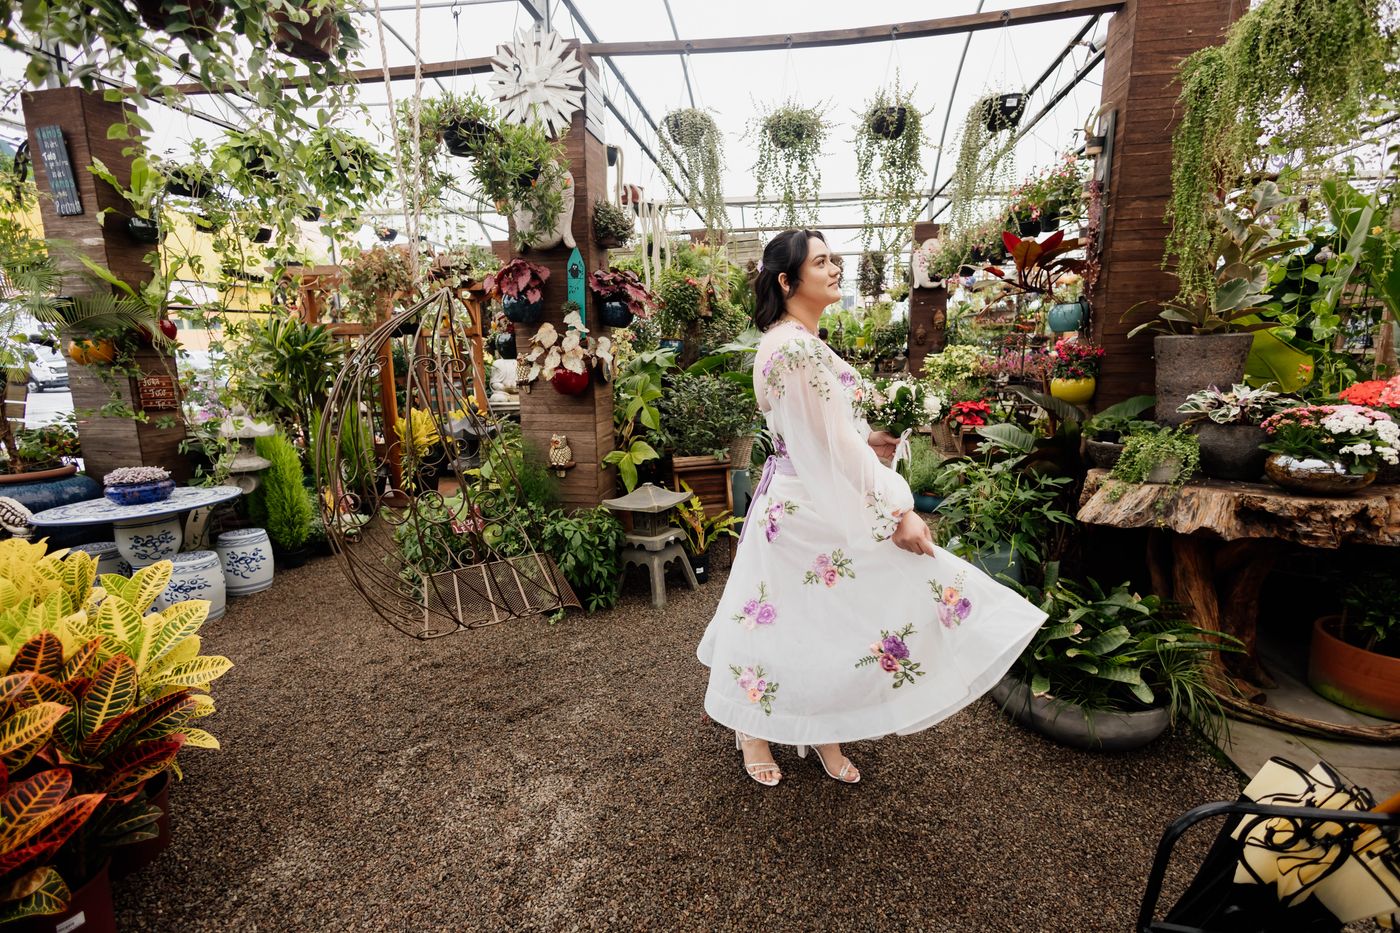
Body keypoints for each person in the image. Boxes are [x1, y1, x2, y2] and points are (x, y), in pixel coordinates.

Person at [696, 229, 1047, 787]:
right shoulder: (791, 348)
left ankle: (821, 726)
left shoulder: (800, 341)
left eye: (833, 259)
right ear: (787, 281)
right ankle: (754, 728)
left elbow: (825, 431)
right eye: (820, 262)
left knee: (826, 620)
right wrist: (896, 509)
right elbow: (830, 447)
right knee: (790, 621)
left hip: (815, 497)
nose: (834, 268)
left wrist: (869, 439)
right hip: (803, 507)